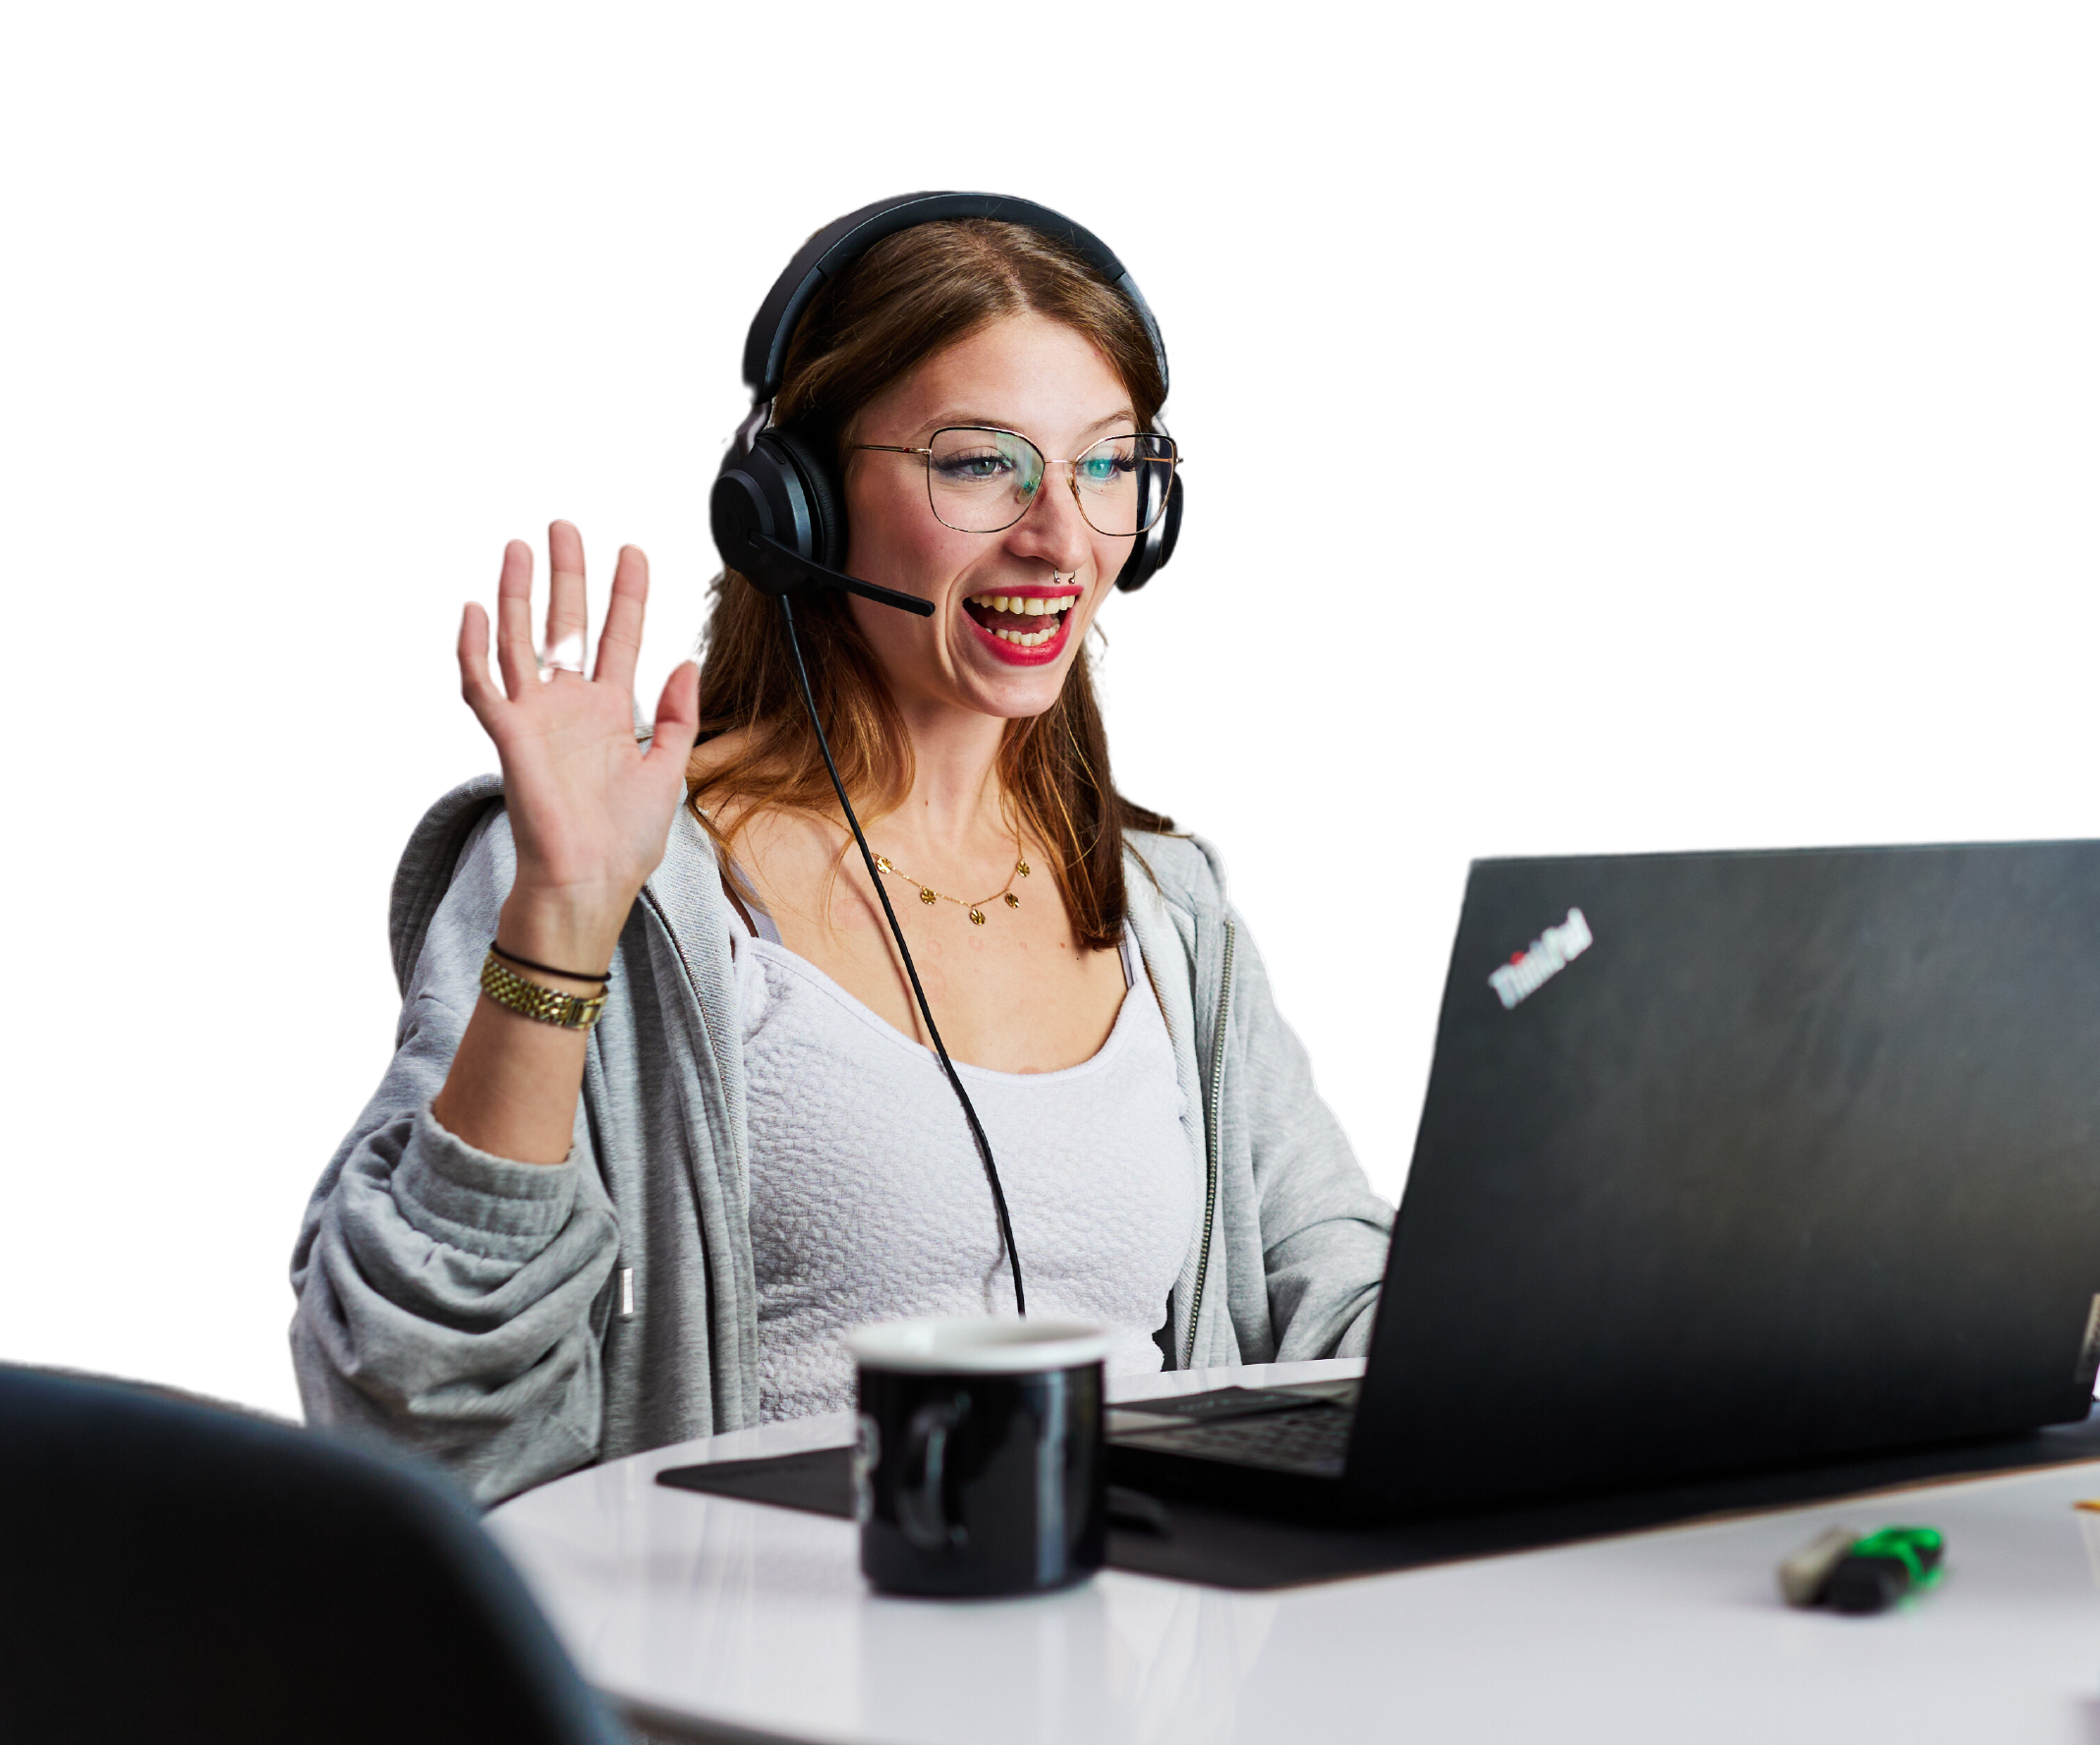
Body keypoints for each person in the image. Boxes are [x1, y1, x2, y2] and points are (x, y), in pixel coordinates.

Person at [288, 211, 1391, 1504]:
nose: (1060, 537)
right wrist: (559, 925)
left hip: (1134, 1661)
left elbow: (1336, 1294)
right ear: (794, 501)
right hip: (745, 1663)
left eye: (1106, 468)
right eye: (980, 463)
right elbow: (408, 1403)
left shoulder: (1168, 905)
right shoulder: (635, 874)